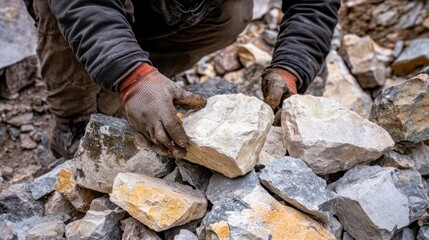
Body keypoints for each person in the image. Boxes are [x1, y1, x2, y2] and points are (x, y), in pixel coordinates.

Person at [30, 0, 340, 159]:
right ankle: (72, 124)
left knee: (234, 11)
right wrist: (131, 77)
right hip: (82, 7)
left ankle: (134, 87)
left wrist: (292, 65)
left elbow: (313, 4)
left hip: (174, 9)